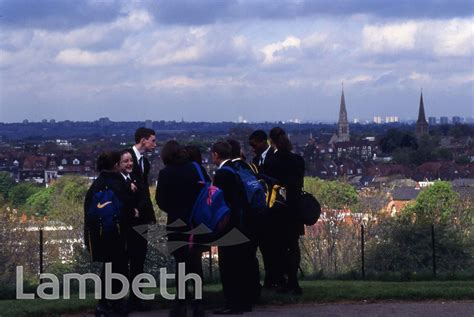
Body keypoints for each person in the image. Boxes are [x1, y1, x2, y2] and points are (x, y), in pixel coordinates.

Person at [156, 140, 209, 317]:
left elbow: (161, 200)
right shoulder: (196, 169)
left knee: (180, 264)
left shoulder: (165, 173)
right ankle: (199, 302)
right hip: (197, 221)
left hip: (177, 222)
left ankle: (180, 301)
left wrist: (174, 209)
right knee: (196, 263)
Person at [211, 141, 255, 315]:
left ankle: (232, 303)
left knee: (228, 267)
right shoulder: (236, 169)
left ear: (216, 154)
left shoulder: (222, 174)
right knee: (240, 265)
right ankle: (243, 302)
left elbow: (219, 203)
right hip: (242, 223)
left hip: (228, 226)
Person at [84, 151, 129, 316]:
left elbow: (89, 213)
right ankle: (115, 303)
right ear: (116, 165)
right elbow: (127, 208)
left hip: (100, 234)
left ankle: (103, 304)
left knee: (107, 269)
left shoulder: (96, 184)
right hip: (116, 234)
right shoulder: (118, 183)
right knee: (118, 269)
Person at [265, 127, 305, 295]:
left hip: (278, 209)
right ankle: (294, 282)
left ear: (271, 141)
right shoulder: (298, 160)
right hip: (295, 207)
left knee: (280, 247)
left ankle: (283, 281)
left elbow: (269, 186)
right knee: (294, 246)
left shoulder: (271, 161)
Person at [125, 127, 157, 311]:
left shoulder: (144, 162)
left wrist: (149, 215)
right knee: (128, 258)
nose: (155, 143)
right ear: (143, 140)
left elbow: (143, 192)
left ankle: (136, 298)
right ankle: (126, 299)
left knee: (139, 258)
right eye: (152, 140)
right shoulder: (127, 158)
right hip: (130, 218)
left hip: (141, 218)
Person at [227, 139, 262, 304]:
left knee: (238, 260)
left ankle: (242, 295)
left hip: (240, 220)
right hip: (255, 217)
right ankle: (254, 291)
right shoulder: (250, 167)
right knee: (251, 257)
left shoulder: (229, 170)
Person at [248, 130, 284, 289]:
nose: (252, 149)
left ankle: (276, 279)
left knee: (273, 248)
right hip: (261, 211)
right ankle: (271, 280)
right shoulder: (256, 160)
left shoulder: (275, 158)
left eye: (254, 144)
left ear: (263, 142)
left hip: (274, 210)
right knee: (265, 248)